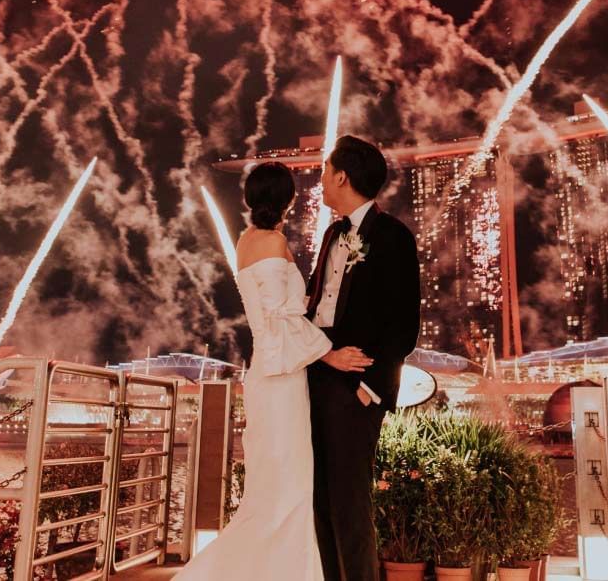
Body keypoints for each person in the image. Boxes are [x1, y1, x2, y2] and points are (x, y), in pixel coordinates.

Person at [174, 162, 374, 581]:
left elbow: (273, 317)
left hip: (266, 371)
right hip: (283, 376)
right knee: (289, 486)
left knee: (270, 485)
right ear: (288, 199)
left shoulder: (245, 240)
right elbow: (283, 320)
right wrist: (331, 354)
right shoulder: (274, 242)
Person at [307, 135, 422, 581]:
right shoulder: (332, 234)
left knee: (350, 503)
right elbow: (317, 304)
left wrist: (369, 389)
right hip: (317, 374)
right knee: (318, 498)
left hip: (356, 387)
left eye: (325, 170)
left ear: (341, 176)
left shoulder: (393, 236)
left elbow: (403, 326)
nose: (320, 178)